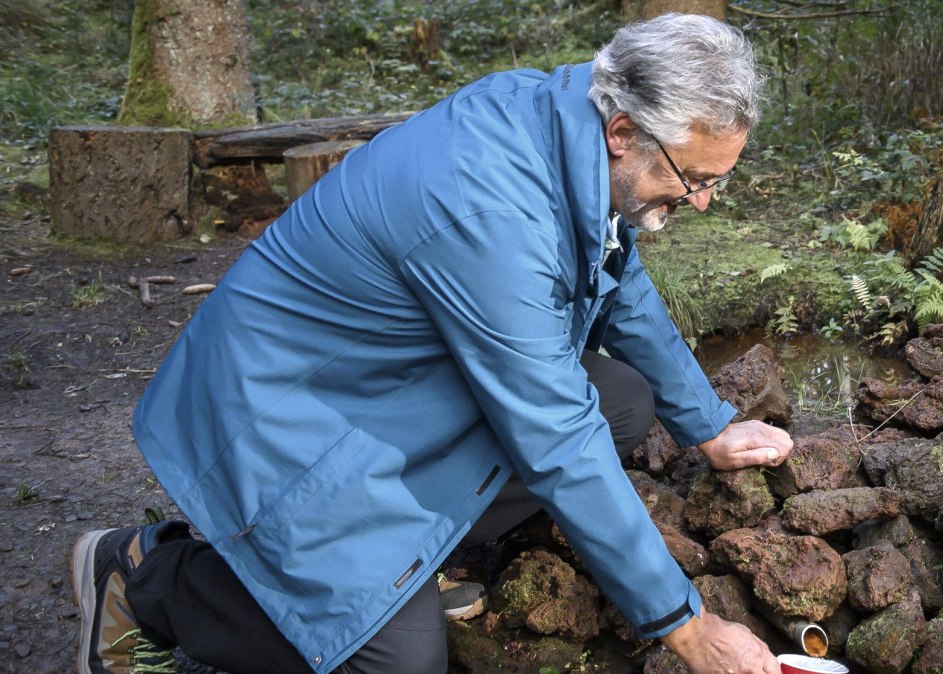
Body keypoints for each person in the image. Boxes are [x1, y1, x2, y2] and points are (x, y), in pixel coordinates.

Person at [70, 13, 794, 674]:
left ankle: (404, 560)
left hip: (383, 381)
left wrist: (707, 425)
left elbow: (618, 274)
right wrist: (687, 627)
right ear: (624, 132)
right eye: (694, 179)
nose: (700, 201)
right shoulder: (491, 208)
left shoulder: (568, 121)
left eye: (715, 182)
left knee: (623, 403)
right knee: (400, 664)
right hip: (279, 413)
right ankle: (144, 578)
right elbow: (555, 438)